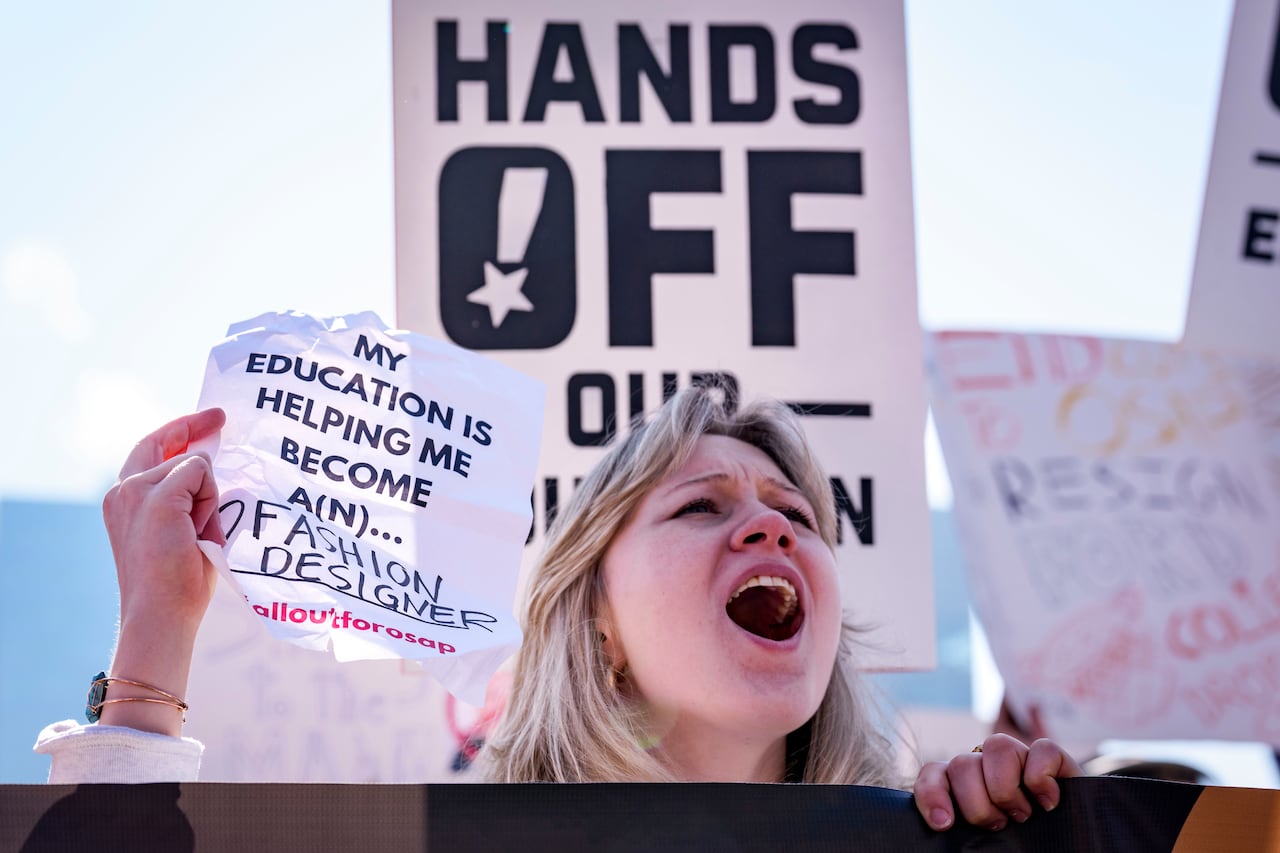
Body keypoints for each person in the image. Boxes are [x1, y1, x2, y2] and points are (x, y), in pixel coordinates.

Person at [36, 389, 1081, 832]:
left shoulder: (939, 839)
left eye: (793, 513)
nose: (770, 532)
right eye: (701, 505)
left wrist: (1030, 846)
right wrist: (156, 637)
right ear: (595, 620)